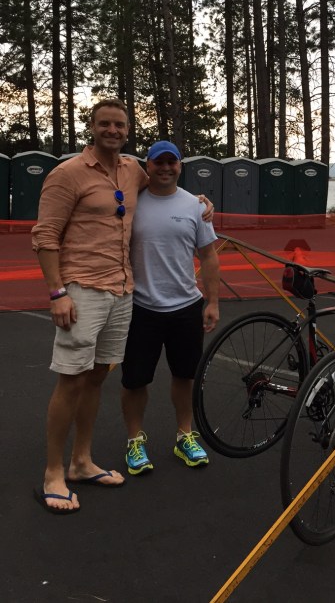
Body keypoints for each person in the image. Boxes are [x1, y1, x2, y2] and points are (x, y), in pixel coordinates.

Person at [31, 100, 213, 514]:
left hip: (122, 291)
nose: (112, 130)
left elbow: (166, 185)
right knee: (71, 379)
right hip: (81, 288)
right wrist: (57, 293)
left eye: (119, 125)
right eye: (104, 124)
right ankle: (53, 474)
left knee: (96, 377)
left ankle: (81, 461)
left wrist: (198, 200)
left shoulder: (132, 171)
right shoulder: (68, 174)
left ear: (127, 131)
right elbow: (45, 235)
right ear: (92, 127)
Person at [121, 141, 220, 475]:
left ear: (180, 166)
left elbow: (208, 255)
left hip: (186, 307)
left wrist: (213, 301)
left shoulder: (195, 205)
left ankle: (184, 436)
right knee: (135, 381)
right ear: (147, 166)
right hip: (140, 307)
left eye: (171, 162)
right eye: (158, 162)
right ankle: (135, 440)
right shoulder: (132, 202)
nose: (165, 168)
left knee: (184, 376)